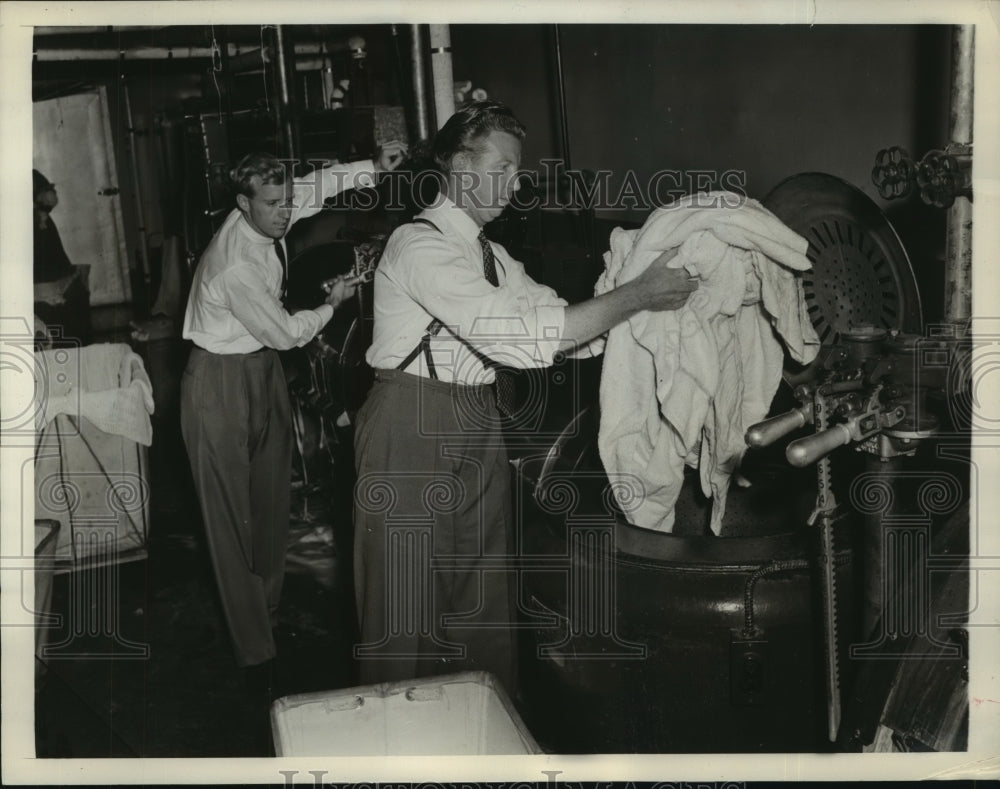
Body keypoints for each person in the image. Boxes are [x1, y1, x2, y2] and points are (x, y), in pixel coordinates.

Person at [353, 101, 696, 696]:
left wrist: (640, 301)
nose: (515, 185)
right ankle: (397, 738)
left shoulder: (492, 256)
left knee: (481, 599)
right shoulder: (417, 245)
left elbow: (558, 326)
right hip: (409, 425)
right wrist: (637, 296)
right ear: (460, 166)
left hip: (476, 420)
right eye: (502, 169)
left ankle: (480, 730)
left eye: (518, 171)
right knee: (404, 608)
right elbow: (515, 338)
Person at [180, 145, 406, 682]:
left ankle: (269, 614)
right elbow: (284, 334)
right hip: (218, 381)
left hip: (260, 369)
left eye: (287, 201)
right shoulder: (235, 264)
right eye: (274, 204)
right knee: (230, 520)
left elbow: (319, 186)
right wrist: (332, 304)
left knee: (270, 500)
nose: (286, 212)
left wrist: (374, 168)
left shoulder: (269, 210)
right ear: (243, 204)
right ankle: (255, 651)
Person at [32, 169, 92, 345]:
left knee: (78, 287)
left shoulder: (44, 220)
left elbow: (56, 258)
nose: (54, 193)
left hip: (50, 283)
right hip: (43, 290)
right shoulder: (36, 221)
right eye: (48, 190)